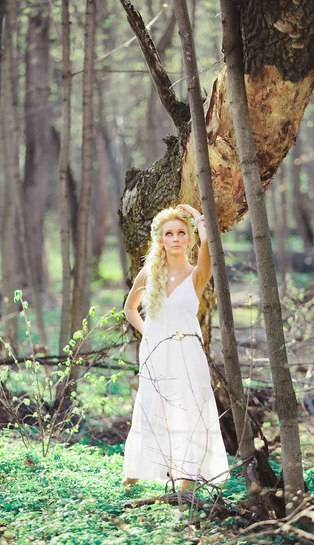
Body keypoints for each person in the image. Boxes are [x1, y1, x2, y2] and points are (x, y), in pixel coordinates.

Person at [122, 205, 229, 491]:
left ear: (189, 238)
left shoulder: (197, 274)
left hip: (186, 353)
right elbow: (130, 309)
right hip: (156, 353)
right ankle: (138, 467)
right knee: (152, 405)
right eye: (169, 234)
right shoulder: (149, 275)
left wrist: (197, 217)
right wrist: (149, 335)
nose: (176, 238)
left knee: (188, 407)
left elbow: (210, 243)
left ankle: (187, 476)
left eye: (181, 233)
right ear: (161, 240)